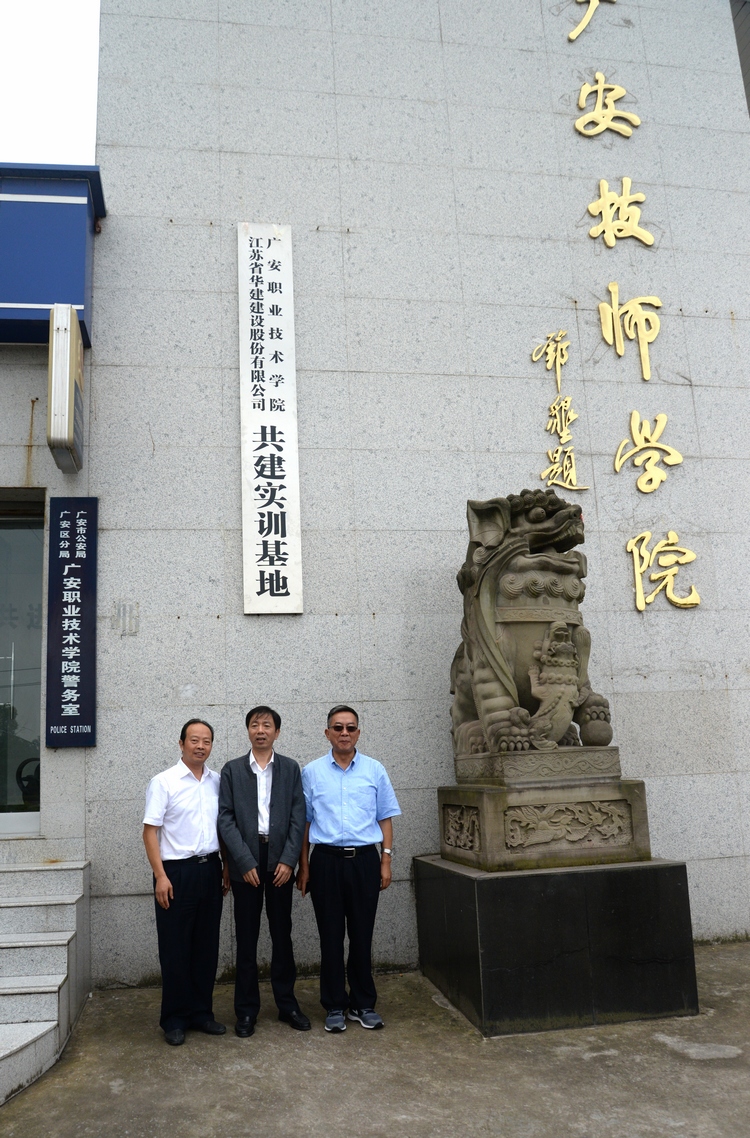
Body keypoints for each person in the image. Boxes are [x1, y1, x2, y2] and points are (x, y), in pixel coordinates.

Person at [296, 704, 401, 1033]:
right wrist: (304, 866)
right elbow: (304, 824)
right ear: (327, 732)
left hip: (365, 862)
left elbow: (385, 817)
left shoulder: (374, 770)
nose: (344, 733)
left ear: (358, 733)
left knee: (361, 934)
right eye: (338, 727)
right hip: (325, 861)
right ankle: (334, 1006)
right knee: (330, 937)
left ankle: (362, 1004)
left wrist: (386, 860)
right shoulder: (312, 772)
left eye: (350, 728)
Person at [218, 705, 308, 1037]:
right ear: (248, 731)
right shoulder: (232, 770)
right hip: (247, 860)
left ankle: (287, 1004)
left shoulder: (290, 768)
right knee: (246, 937)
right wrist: (243, 861)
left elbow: (298, 816)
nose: (260, 730)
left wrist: (289, 860)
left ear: (277, 732)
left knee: (282, 934)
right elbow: (225, 818)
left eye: (267, 725)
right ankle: (246, 1011)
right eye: (255, 725)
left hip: (280, 859)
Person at [142, 718, 228, 1046]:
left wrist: (225, 867)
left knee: (206, 947)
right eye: (194, 740)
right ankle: (175, 1018)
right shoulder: (163, 782)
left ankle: (202, 1013)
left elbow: (223, 828)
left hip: (211, 869)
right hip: (176, 873)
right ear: (181, 744)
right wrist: (160, 876)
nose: (200, 746)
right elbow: (150, 832)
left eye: (206, 741)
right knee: (175, 948)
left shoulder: (217, 781)